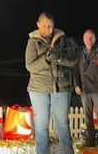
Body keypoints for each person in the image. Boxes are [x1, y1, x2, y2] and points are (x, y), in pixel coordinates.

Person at [25, 12, 77, 154]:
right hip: (38, 88)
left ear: (54, 25)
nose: (47, 30)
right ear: (38, 25)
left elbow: (73, 60)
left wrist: (59, 58)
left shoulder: (64, 40)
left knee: (62, 124)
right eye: (44, 26)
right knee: (41, 125)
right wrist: (46, 60)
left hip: (61, 87)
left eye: (50, 26)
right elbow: (30, 66)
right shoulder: (32, 42)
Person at [73, 29, 98, 147]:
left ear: (95, 39)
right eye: (87, 38)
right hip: (84, 90)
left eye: (91, 38)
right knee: (88, 118)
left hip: (97, 89)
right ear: (83, 39)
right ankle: (91, 140)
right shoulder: (79, 54)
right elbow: (75, 72)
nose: (89, 40)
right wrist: (77, 85)